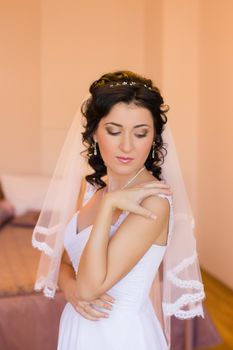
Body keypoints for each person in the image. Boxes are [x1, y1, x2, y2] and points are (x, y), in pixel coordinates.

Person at [32, 70, 205, 350]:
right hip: (78, 327)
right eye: (114, 131)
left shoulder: (153, 202)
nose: (127, 146)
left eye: (140, 133)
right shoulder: (91, 190)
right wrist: (71, 289)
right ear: (95, 133)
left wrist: (109, 207)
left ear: (153, 140)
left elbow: (90, 287)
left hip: (120, 336)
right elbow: (64, 264)